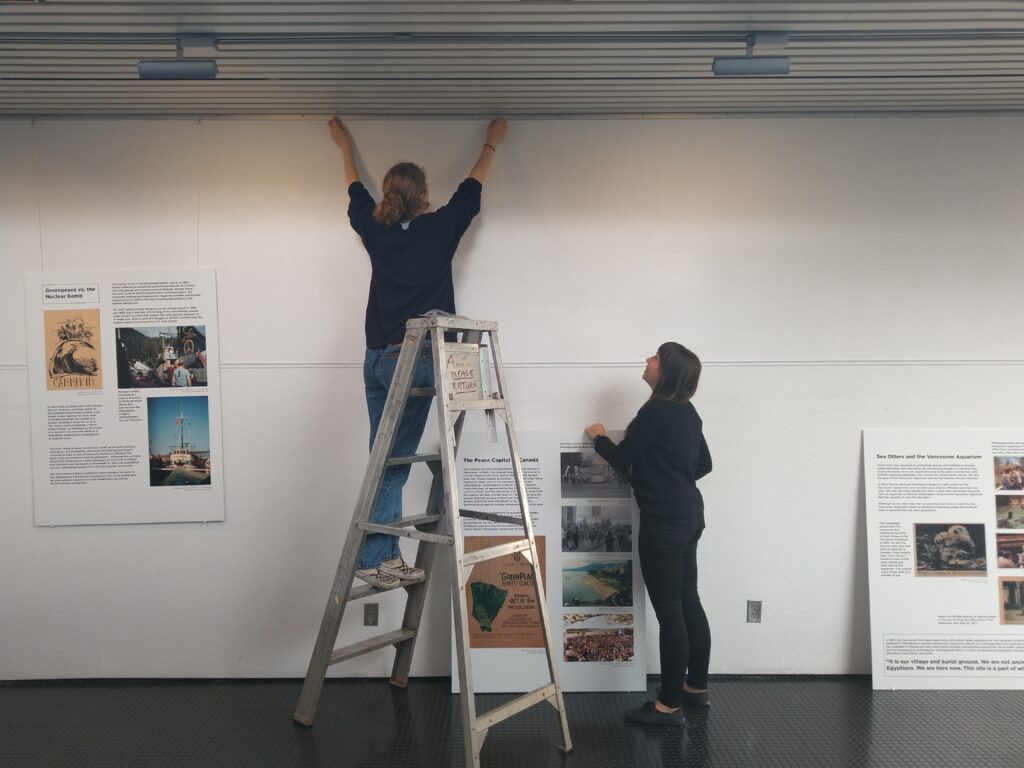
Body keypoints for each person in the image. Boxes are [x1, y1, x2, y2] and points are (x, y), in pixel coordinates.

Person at [329, 115, 509, 590]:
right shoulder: (439, 229)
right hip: (412, 362)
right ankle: (379, 559)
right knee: (392, 461)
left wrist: (344, 144)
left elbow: (354, 191)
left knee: (381, 459)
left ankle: (379, 553)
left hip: (374, 360)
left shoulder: (375, 230)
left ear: (389, 195)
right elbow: (472, 190)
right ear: (424, 197)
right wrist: (491, 143)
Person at [584, 342, 712, 727]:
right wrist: (669, 476)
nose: (648, 361)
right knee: (689, 602)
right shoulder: (687, 412)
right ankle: (696, 688)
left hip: (664, 524)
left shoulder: (655, 412)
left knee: (670, 613)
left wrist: (597, 437)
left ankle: (667, 706)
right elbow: (704, 464)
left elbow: (623, 459)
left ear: (667, 371)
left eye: (655, 358)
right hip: (690, 515)